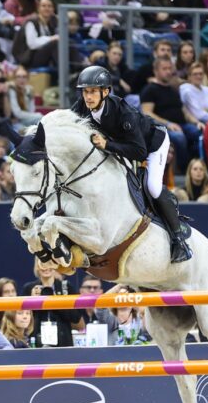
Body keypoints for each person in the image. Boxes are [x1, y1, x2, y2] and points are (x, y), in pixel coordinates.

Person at [66, 65, 191, 263]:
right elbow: (68, 122)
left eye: (92, 92)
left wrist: (106, 144)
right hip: (124, 144)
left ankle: (179, 239)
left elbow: (139, 151)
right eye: (84, 91)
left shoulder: (123, 113)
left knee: (153, 187)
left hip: (152, 144)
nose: (87, 96)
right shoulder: (83, 105)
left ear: (105, 91)